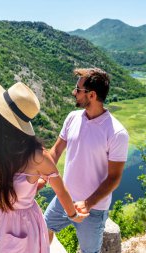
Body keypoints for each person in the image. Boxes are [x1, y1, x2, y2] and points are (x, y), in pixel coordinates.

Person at [0, 82, 88, 253]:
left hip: (20, 224)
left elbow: (61, 190)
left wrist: (73, 215)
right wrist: (32, 185)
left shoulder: (37, 157)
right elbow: (13, 185)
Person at [44, 68, 129, 253]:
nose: (74, 92)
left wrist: (88, 203)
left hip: (93, 209)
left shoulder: (116, 133)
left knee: (89, 251)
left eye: (78, 89)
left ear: (91, 95)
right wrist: (42, 174)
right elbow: (56, 150)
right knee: (43, 230)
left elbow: (114, 178)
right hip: (64, 198)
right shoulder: (72, 118)